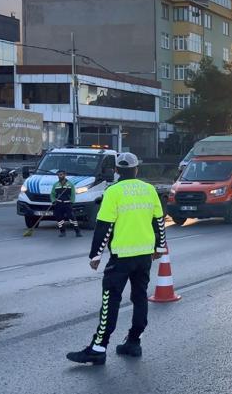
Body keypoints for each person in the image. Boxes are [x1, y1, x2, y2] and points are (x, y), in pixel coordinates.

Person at [66, 152, 166, 365]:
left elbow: (104, 227)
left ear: (117, 171)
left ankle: (98, 348)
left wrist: (95, 255)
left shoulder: (113, 191)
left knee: (110, 302)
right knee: (140, 298)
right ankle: (134, 341)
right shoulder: (149, 190)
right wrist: (159, 247)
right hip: (144, 257)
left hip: (121, 258)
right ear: (137, 169)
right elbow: (159, 221)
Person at [51, 170, 81, 237]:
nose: (59, 176)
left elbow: (73, 194)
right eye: (58, 175)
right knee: (59, 218)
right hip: (58, 204)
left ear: (65, 175)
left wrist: (72, 202)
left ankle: (77, 231)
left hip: (67, 204)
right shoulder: (56, 185)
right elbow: (52, 194)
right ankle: (62, 232)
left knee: (72, 218)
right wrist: (53, 201)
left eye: (61, 174)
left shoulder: (70, 184)